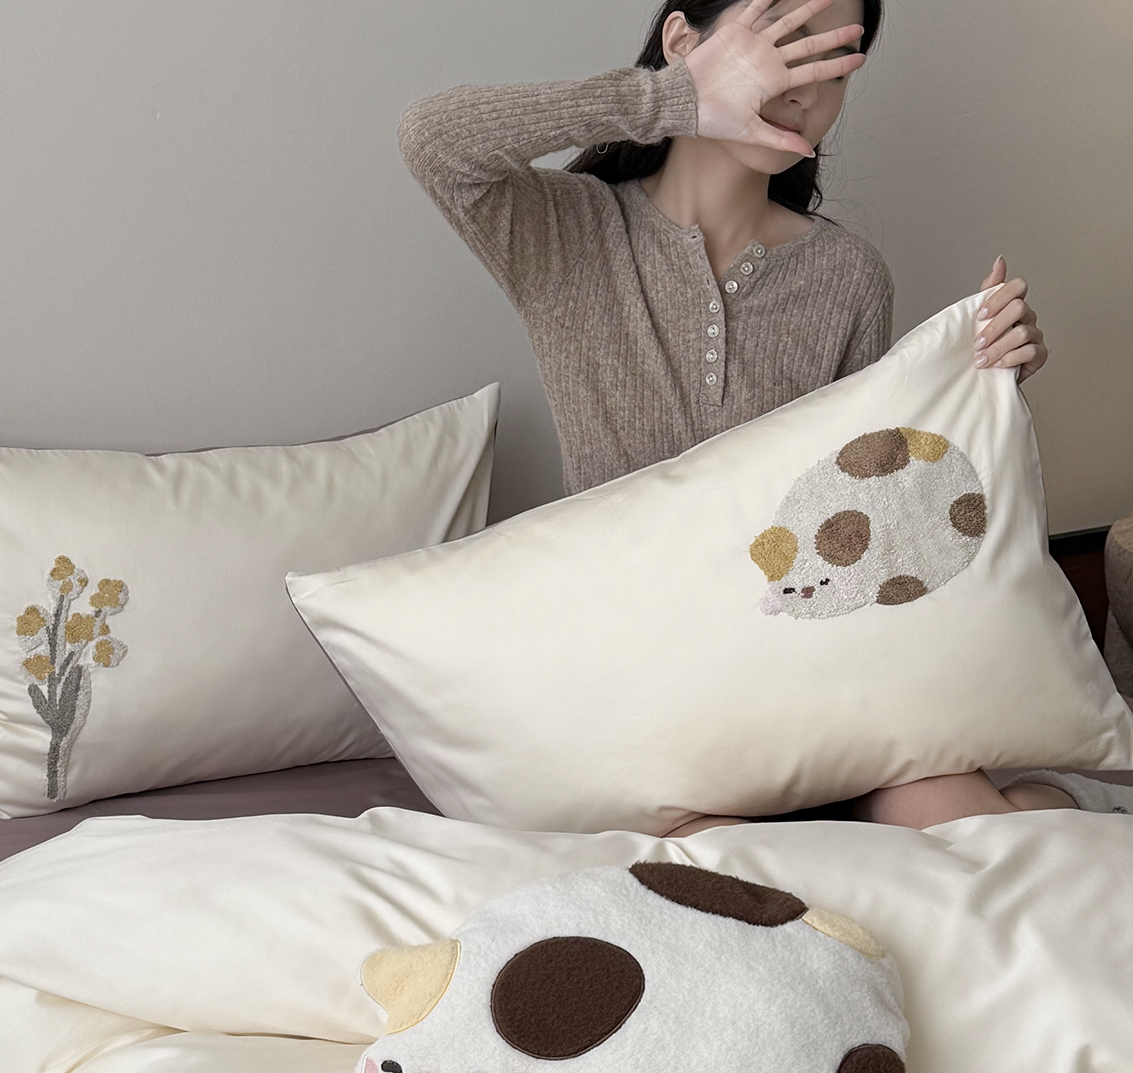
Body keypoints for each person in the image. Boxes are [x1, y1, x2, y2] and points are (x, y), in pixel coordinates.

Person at [399, 0, 1074, 836]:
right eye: (786, 40)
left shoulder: (848, 275)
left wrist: (986, 392)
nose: (807, 84)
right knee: (737, 876)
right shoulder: (565, 231)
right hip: (642, 687)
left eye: (837, 61)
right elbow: (433, 138)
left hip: (815, 669)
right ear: (685, 42)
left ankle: (1056, 801)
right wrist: (669, 97)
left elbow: (866, 513)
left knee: (988, 839)